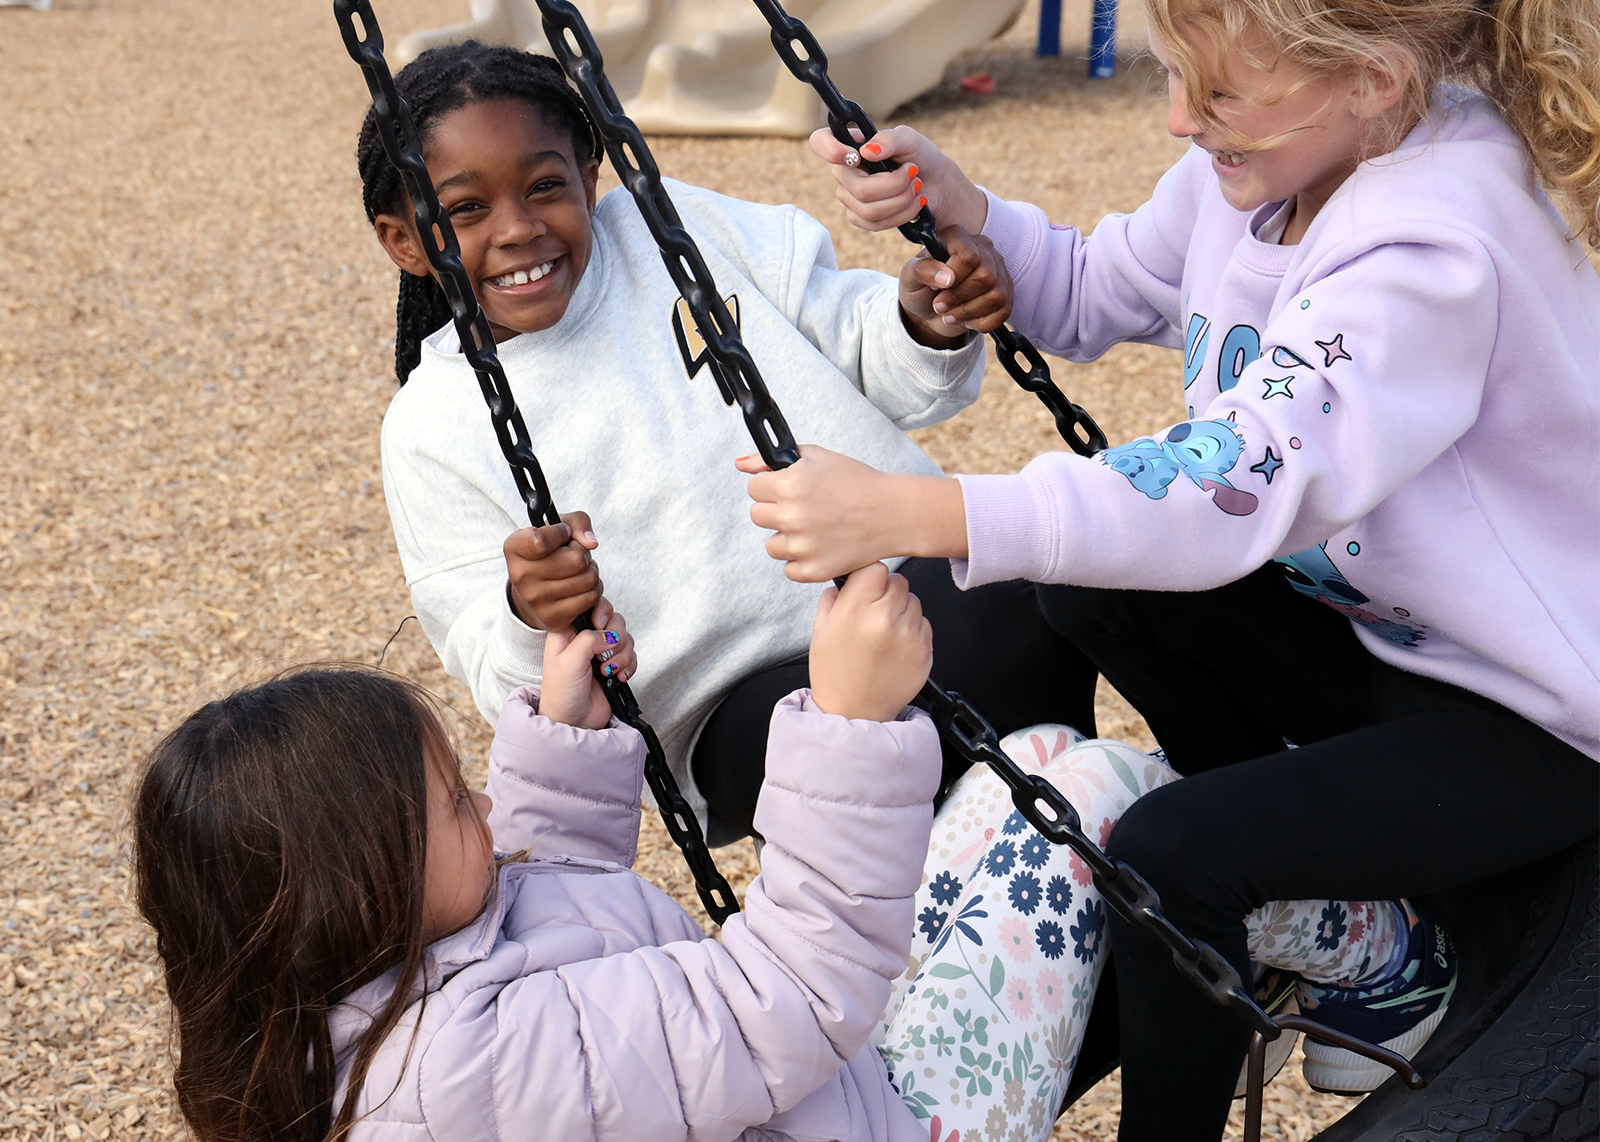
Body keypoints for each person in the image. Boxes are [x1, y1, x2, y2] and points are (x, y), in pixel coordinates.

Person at [746, 0, 1600, 1136]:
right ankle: (1339, 913)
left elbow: (1230, 480)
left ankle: (1274, 964)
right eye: (1169, 79)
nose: (1174, 120)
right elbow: (1101, 284)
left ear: (1376, 80)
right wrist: (970, 215)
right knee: (1093, 585)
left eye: (1217, 95)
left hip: (1541, 711)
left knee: (1170, 849)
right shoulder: (1270, 163)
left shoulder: (1431, 249)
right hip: (1401, 640)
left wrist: (919, 508)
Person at [132, 567, 1196, 1142]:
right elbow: (789, 989)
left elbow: (552, 926)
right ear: (364, 888)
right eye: (458, 802)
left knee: (1038, 756)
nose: (485, 804)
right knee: (1094, 795)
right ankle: (1350, 952)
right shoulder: (464, 1075)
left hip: (817, 1081)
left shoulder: (379, 992)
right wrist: (850, 721)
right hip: (895, 1113)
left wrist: (568, 738)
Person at [359, 40, 1099, 847]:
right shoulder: (435, 424)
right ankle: (970, 921)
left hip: (888, 580)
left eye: (546, 186)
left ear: (590, 178)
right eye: (467, 210)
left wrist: (926, 318)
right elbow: (494, 673)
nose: (519, 229)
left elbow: (862, 352)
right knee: (898, 718)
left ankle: (1089, 863)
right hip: (728, 704)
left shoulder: (676, 233)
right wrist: (524, 609)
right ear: (403, 241)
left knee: (1048, 590)